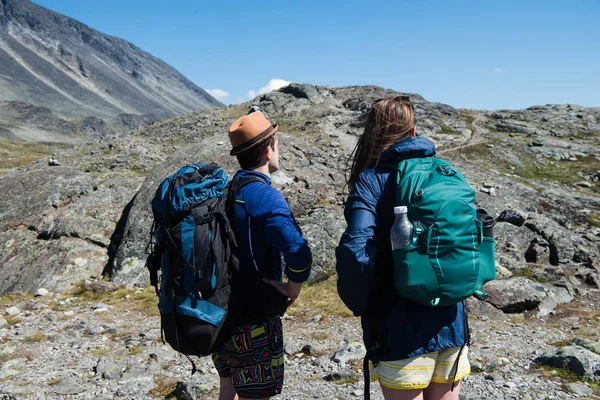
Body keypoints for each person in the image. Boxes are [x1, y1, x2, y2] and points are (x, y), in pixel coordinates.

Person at [335, 96, 470, 400]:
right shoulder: (444, 172)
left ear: (372, 134)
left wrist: (360, 302)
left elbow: (356, 250)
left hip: (399, 327)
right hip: (451, 322)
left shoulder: (371, 181)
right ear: (413, 132)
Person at [212, 109, 313, 400]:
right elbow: (298, 253)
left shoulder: (227, 191)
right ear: (269, 150)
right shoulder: (264, 195)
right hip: (254, 318)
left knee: (228, 390)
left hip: (221, 314)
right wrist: (291, 289)